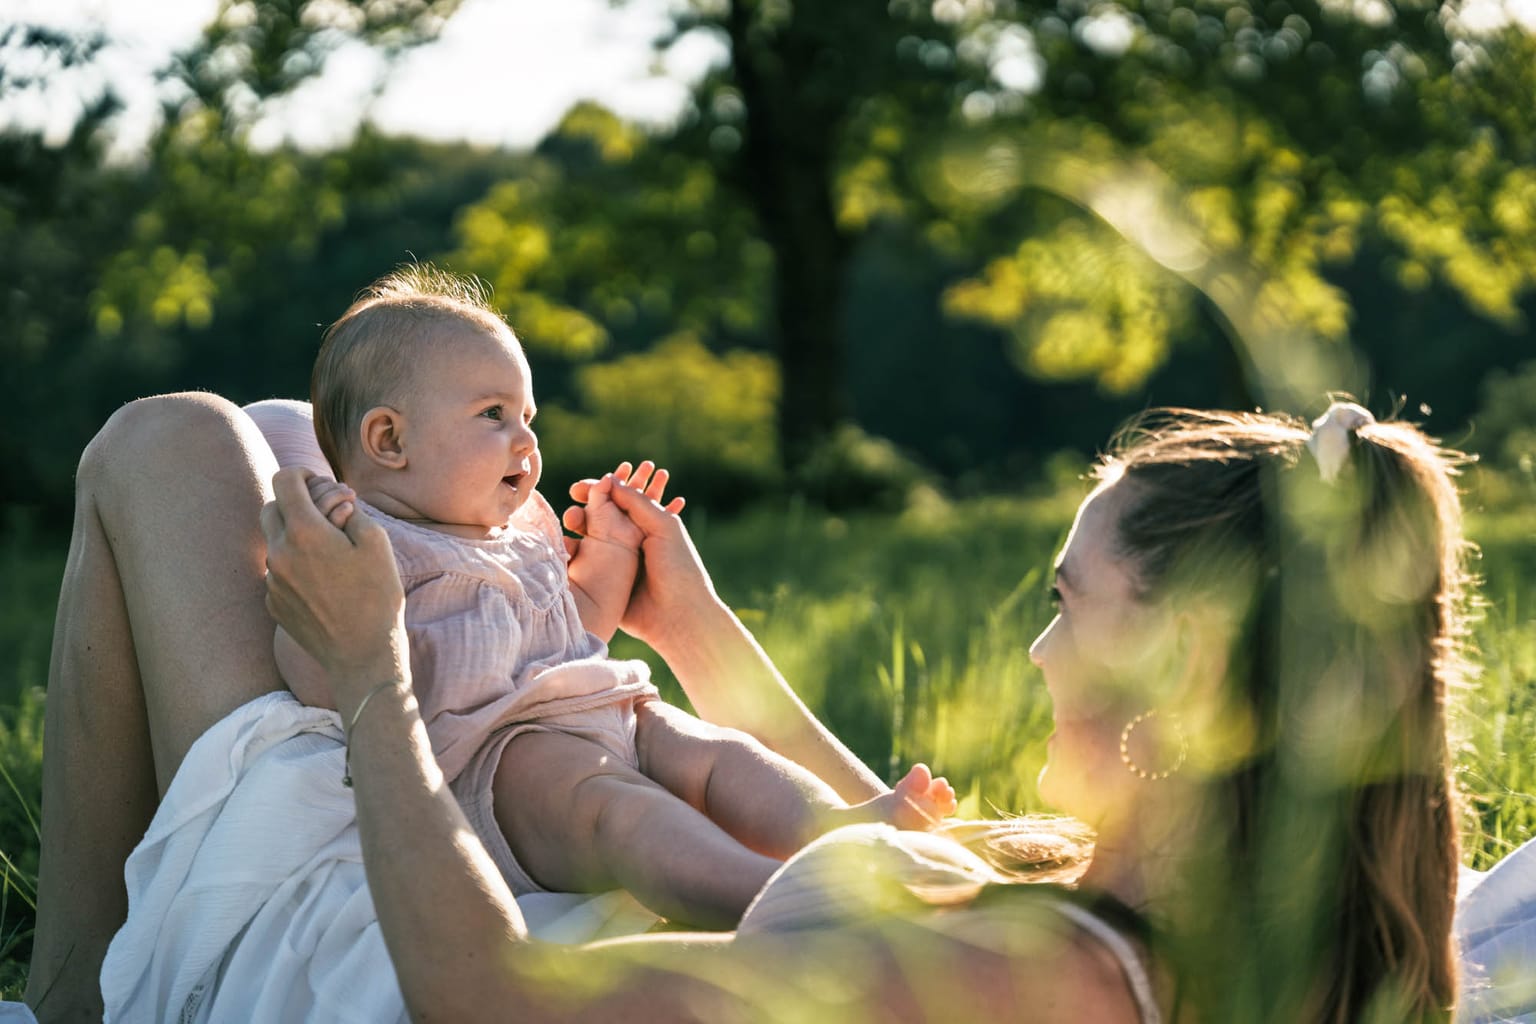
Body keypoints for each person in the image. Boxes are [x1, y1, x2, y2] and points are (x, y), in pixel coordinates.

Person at [25, 392, 1477, 1022]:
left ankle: (91, 995)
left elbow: (493, 1005)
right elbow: (878, 835)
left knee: (165, 448)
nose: (1039, 650)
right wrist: (693, 626)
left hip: (392, 978)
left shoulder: (1049, 987)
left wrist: (373, 676)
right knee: (285, 438)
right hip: (507, 910)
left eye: (1067, 602)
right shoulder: (1193, 886)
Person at [266, 265, 954, 928]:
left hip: (608, 714)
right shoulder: (368, 547)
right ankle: (768, 897)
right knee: (620, 813)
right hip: (499, 769)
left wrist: (616, 553)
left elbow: (579, 630)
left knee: (718, 753)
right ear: (389, 439)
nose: (527, 440)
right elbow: (319, 666)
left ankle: (839, 831)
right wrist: (319, 578)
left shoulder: (522, 530)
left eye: (528, 415)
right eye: (494, 415)